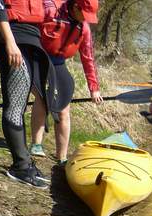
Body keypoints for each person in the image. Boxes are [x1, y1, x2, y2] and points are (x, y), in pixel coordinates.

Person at [0, 0, 57, 188]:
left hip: (30, 36)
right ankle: (20, 166)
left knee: (20, 103)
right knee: (15, 104)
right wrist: (10, 42)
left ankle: (25, 163)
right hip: (12, 35)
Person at [29, 0, 102, 166]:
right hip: (38, 58)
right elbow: (29, 28)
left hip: (59, 63)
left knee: (64, 109)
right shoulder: (50, 10)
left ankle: (61, 157)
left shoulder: (83, 28)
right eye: (84, 14)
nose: (86, 20)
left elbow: (88, 57)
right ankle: (36, 144)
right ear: (76, 6)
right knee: (42, 98)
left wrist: (94, 88)